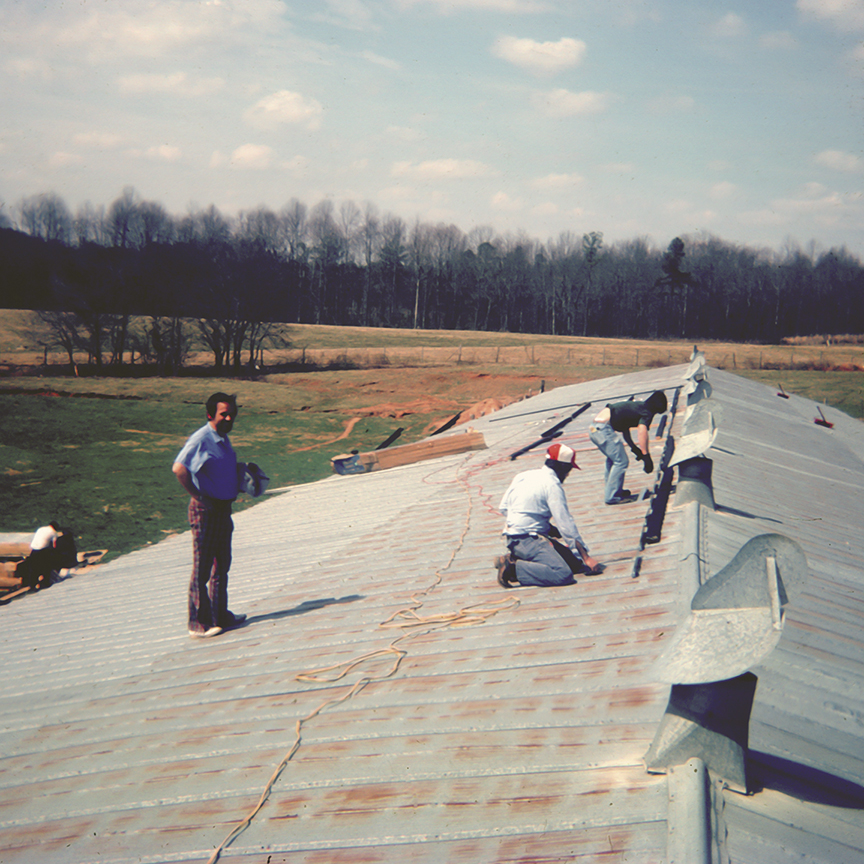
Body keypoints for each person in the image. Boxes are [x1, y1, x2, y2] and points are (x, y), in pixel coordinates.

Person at [173, 393, 247, 638]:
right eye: (222, 414)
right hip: (205, 510)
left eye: (231, 414)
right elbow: (179, 468)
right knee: (202, 568)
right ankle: (198, 623)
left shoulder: (223, 439)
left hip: (222, 509)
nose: (228, 418)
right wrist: (199, 496)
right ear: (209, 415)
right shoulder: (202, 438)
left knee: (221, 564)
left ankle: (220, 615)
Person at [495, 442, 601, 588]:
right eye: (569, 470)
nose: (568, 475)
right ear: (563, 467)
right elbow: (566, 525)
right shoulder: (552, 484)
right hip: (529, 541)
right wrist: (586, 557)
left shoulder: (523, 475)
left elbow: (503, 508)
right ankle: (513, 568)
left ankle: (518, 557)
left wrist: (545, 527)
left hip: (512, 539)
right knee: (562, 574)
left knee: (575, 565)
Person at [588, 390, 668, 505]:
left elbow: (625, 429)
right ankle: (612, 496)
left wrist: (634, 448)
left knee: (613, 460)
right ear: (656, 408)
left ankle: (613, 490)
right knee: (621, 462)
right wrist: (646, 456)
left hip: (594, 429)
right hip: (603, 429)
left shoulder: (635, 407)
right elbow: (642, 432)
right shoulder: (647, 411)